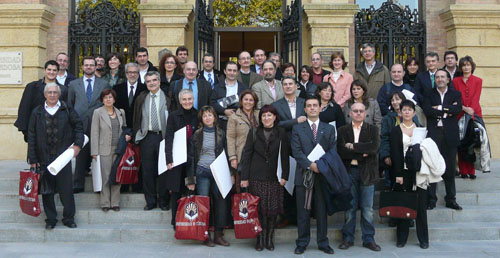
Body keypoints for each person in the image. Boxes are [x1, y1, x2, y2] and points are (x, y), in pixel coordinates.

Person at [27, 82, 83, 229]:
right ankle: (51, 219)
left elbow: (78, 126)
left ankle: (69, 218)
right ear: (45, 94)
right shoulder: (37, 112)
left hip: (62, 158)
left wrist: (77, 145)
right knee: (47, 190)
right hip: (43, 158)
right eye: (49, 92)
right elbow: (31, 136)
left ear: (59, 94)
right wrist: (33, 159)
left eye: (55, 92)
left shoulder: (67, 108)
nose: (52, 95)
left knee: (66, 190)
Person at [240, 104, 290, 252]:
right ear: (260, 118)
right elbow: (247, 155)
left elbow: (285, 156)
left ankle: (269, 238)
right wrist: (244, 177)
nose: (266, 118)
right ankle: (260, 239)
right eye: (264, 115)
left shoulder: (281, 132)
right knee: (259, 210)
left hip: (275, 177)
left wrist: (285, 175)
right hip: (257, 177)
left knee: (272, 210)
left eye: (269, 115)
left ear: (275, 117)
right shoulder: (254, 132)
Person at [291, 96, 337, 255]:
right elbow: (296, 151)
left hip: (322, 175)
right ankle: (302, 242)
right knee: (303, 212)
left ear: (319, 108)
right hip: (303, 175)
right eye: (309, 106)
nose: (312, 108)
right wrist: (311, 165)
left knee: (322, 211)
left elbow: (332, 151)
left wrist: (320, 166)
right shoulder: (297, 129)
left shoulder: (329, 129)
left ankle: (323, 242)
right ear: (304, 109)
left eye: (315, 105)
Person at [337, 102, 381, 252]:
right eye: (355, 111)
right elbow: (341, 152)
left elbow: (374, 148)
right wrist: (363, 150)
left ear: (365, 113)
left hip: (367, 172)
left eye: (361, 111)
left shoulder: (373, 129)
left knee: (367, 208)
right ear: (349, 113)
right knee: (350, 207)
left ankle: (369, 239)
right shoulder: (343, 130)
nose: (358, 113)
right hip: (349, 172)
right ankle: (347, 238)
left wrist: (353, 146)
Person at [186, 106, 231, 247]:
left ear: (214, 117)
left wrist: (230, 174)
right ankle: (205, 236)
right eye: (205, 115)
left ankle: (218, 235)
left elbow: (227, 154)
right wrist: (191, 179)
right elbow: (191, 158)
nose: (207, 118)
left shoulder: (221, 134)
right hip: (202, 172)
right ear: (201, 118)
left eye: (210, 115)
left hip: (218, 172)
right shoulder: (196, 134)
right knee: (203, 205)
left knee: (220, 203)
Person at [389, 100, 429, 249]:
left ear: (414, 112)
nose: (406, 112)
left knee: (421, 206)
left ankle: (424, 239)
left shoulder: (421, 130)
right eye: (403, 110)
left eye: (409, 110)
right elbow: (395, 154)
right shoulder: (395, 130)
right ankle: (402, 238)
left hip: (419, 172)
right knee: (403, 206)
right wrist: (398, 174)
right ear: (400, 113)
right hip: (403, 172)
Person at [68, 56, 110, 193]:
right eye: (86, 65)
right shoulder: (74, 84)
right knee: (80, 154)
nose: (89, 67)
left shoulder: (103, 83)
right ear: (82, 67)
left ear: (95, 66)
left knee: (98, 153)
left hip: (98, 123)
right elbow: (70, 103)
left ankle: (99, 185)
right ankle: (78, 184)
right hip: (80, 124)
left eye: (92, 65)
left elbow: (106, 102)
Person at [422, 69, 463, 210]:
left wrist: (439, 108)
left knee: (450, 169)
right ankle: (431, 199)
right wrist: (448, 110)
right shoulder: (429, 94)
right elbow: (427, 110)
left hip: (450, 135)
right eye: (437, 77)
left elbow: (457, 110)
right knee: (432, 167)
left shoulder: (455, 94)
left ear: (448, 79)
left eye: (442, 77)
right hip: (434, 135)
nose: (440, 79)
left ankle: (451, 199)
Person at [132, 71, 170, 211]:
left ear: (159, 82)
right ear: (146, 83)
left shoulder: (168, 98)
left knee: (164, 171)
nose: (152, 83)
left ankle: (164, 201)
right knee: (148, 171)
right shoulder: (141, 98)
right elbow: (136, 117)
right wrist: (137, 134)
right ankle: (151, 201)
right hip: (146, 137)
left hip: (163, 137)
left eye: (154, 80)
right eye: (148, 81)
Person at [165, 89, 199, 227]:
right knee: (176, 191)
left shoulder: (198, 115)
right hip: (177, 158)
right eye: (184, 99)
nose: (187, 102)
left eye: (189, 99)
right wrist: (169, 159)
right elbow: (169, 137)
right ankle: (175, 220)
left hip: (194, 158)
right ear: (180, 101)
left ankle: (190, 220)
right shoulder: (173, 116)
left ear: (193, 99)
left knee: (191, 188)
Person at [91, 89, 129, 212]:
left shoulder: (120, 112)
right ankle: (105, 203)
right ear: (102, 100)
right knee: (106, 177)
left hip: (119, 149)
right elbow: (94, 132)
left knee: (117, 176)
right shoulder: (98, 112)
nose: (108, 99)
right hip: (104, 149)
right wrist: (94, 151)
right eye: (105, 97)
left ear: (114, 99)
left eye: (110, 97)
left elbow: (124, 129)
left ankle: (115, 202)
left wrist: (127, 137)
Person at [15, 60, 68, 142]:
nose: (51, 72)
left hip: (57, 132)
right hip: (36, 131)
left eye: (54, 70)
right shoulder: (32, 87)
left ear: (57, 72)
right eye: (49, 69)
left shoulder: (63, 89)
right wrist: (26, 132)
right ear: (45, 70)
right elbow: (24, 109)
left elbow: (66, 110)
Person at [380, 92, 420, 188]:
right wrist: (386, 155)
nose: (395, 102)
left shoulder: (414, 118)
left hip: (413, 160)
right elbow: (384, 138)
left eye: (397, 99)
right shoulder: (387, 118)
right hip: (395, 156)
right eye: (392, 100)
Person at [453, 56, 483, 179]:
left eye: (468, 65)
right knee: (461, 142)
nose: (466, 67)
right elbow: (456, 97)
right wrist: (464, 108)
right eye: (464, 65)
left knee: (472, 141)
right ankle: (463, 170)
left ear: (472, 66)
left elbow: (476, 97)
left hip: (474, 114)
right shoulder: (456, 81)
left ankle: (472, 171)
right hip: (460, 114)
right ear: (460, 67)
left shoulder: (478, 80)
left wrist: (471, 111)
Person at [226, 90, 260, 193]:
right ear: (241, 101)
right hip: (242, 155)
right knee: (242, 186)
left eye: (251, 100)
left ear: (255, 102)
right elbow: (230, 138)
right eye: (246, 99)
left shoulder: (260, 114)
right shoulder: (234, 117)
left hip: (258, 155)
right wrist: (233, 157)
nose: (248, 102)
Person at [209, 61, 248, 130]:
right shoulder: (217, 87)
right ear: (225, 71)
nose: (232, 73)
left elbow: (248, 104)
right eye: (229, 70)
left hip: (239, 123)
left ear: (237, 72)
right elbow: (212, 103)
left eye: (234, 71)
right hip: (221, 123)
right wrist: (224, 111)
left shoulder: (244, 88)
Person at [114, 63, 147, 129]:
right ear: (126, 74)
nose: (132, 75)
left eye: (135, 72)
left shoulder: (145, 88)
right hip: (121, 126)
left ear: (138, 74)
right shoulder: (117, 88)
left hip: (139, 126)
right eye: (130, 72)